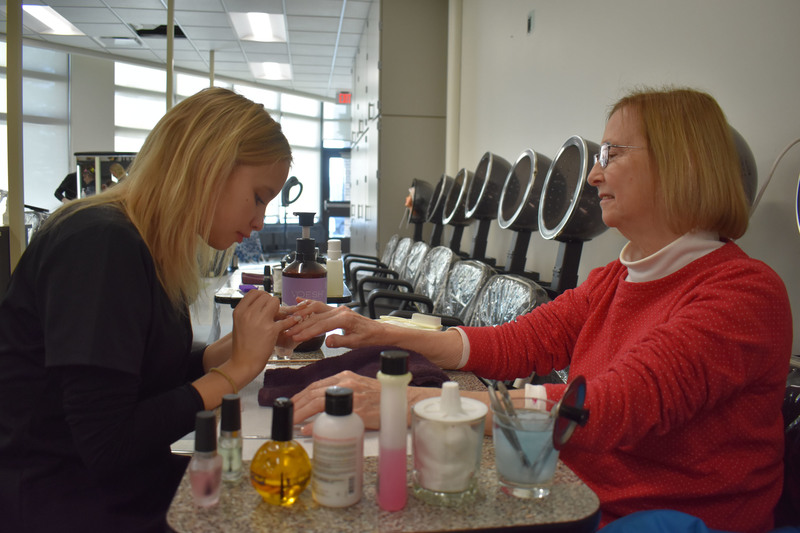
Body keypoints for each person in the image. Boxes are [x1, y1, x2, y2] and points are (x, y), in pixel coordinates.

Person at [284, 87, 793, 532]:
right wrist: (379, 331)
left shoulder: (743, 294)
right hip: (579, 497)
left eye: (612, 154)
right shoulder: (616, 278)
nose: (594, 175)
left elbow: (601, 411)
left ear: (680, 163)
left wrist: (405, 402)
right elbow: (517, 343)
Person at [0, 87, 300, 531]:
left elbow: (144, 377)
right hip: (65, 499)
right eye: (258, 197)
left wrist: (227, 350)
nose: (259, 221)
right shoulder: (100, 243)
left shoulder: (144, 245)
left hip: (111, 481)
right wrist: (234, 371)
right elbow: (108, 443)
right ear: (208, 166)